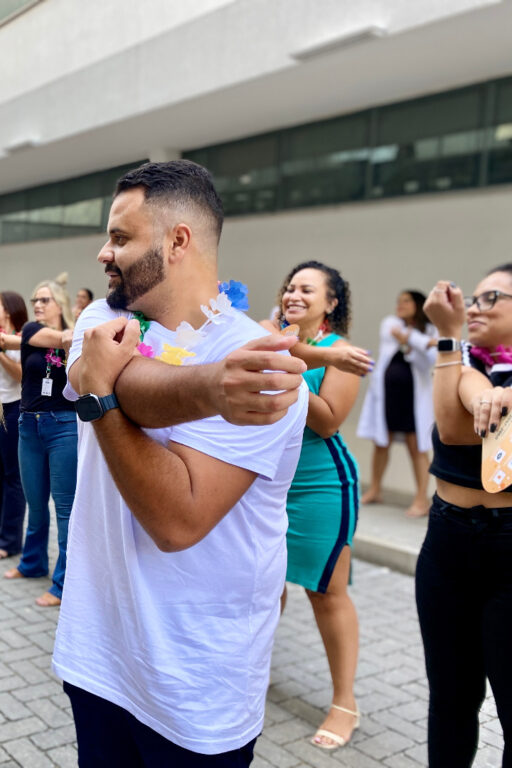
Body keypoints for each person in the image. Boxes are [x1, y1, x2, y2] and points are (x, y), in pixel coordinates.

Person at [52, 160, 309, 766]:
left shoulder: (256, 362)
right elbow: (125, 379)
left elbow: (176, 519)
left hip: (195, 686)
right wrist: (212, 389)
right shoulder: (100, 318)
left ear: (177, 241)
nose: (102, 253)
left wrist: (100, 396)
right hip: (98, 657)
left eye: (120, 238)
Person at [263, 261, 364, 751]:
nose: (293, 294)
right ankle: (251, 670)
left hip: (322, 483)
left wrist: (288, 366)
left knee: (326, 593)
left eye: (307, 289)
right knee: (263, 583)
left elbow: (326, 423)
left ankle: (345, 702)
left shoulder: (337, 352)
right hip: (268, 484)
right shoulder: (273, 338)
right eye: (290, 287)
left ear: (331, 303)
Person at [419, 272, 512, 767]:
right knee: (451, 700)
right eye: (473, 298)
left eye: (491, 298)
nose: (475, 307)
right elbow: (455, 432)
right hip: (447, 540)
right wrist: (449, 337)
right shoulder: (464, 365)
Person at [0, 275, 76, 607]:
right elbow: (50, 338)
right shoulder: (31, 332)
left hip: (64, 425)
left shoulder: (75, 340)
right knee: (35, 501)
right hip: (28, 425)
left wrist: (75, 340)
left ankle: (64, 583)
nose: (38, 305)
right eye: (36, 300)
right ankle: (32, 563)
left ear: (61, 304)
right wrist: (70, 337)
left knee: (64, 508)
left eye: (45, 300)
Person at [357, 290, 438, 516]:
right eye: (398, 301)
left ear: (418, 304)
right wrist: (423, 342)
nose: (399, 305)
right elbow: (417, 342)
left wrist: (415, 341)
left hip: (413, 397)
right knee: (382, 442)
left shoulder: (431, 328)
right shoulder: (390, 322)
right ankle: (375, 489)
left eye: (406, 301)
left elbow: (431, 358)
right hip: (388, 394)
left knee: (417, 446)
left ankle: (422, 499)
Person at [0, 291, 28, 561]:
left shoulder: (21, 338)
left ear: (9, 311)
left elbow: (21, 376)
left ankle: (10, 539)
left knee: (12, 477)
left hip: (13, 409)